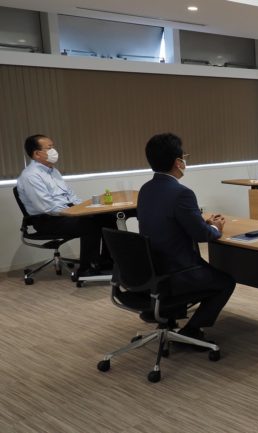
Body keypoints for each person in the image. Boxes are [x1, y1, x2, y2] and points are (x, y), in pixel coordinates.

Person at [137, 132, 236, 343]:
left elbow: (168, 223)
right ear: (177, 162)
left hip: (150, 271)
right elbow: (202, 235)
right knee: (226, 282)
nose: (185, 161)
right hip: (177, 272)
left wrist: (200, 221)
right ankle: (192, 330)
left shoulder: (145, 189)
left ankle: (169, 318)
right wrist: (215, 227)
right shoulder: (181, 193)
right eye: (184, 157)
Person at [16, 134, 116, 277]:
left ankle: (107, 261)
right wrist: (76, 213)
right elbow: (47, 207)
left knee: (107, 218)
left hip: (66, 214)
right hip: (47, 220)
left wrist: (86, 209)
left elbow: (71, 196)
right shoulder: (31, 176)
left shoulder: (53, 171)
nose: (54, 151)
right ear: (37, 153)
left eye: (53, 146)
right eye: (49, 148)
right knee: (90, 224)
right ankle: (86, 269)